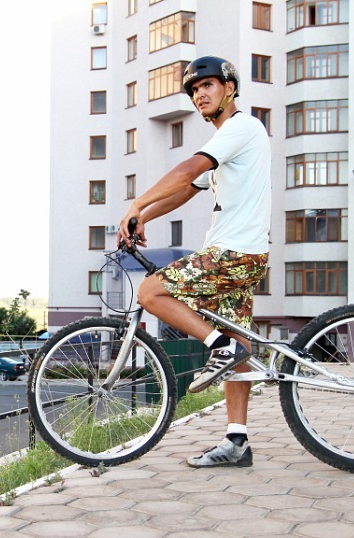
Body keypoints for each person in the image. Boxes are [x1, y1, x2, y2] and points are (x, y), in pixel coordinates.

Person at [118, 55, 271, 468]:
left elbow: (189, 170)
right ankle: (236, 442)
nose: (199, 94)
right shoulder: (230, 139)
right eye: (193, 90)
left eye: (207, 85)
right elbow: (188, 189)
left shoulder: (240, 127)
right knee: (238, 344)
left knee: (150, 292)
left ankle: (218, 347)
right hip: (244, 254)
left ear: (229, 88)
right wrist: (145, 217)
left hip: (232, 253)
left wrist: (137, 203)